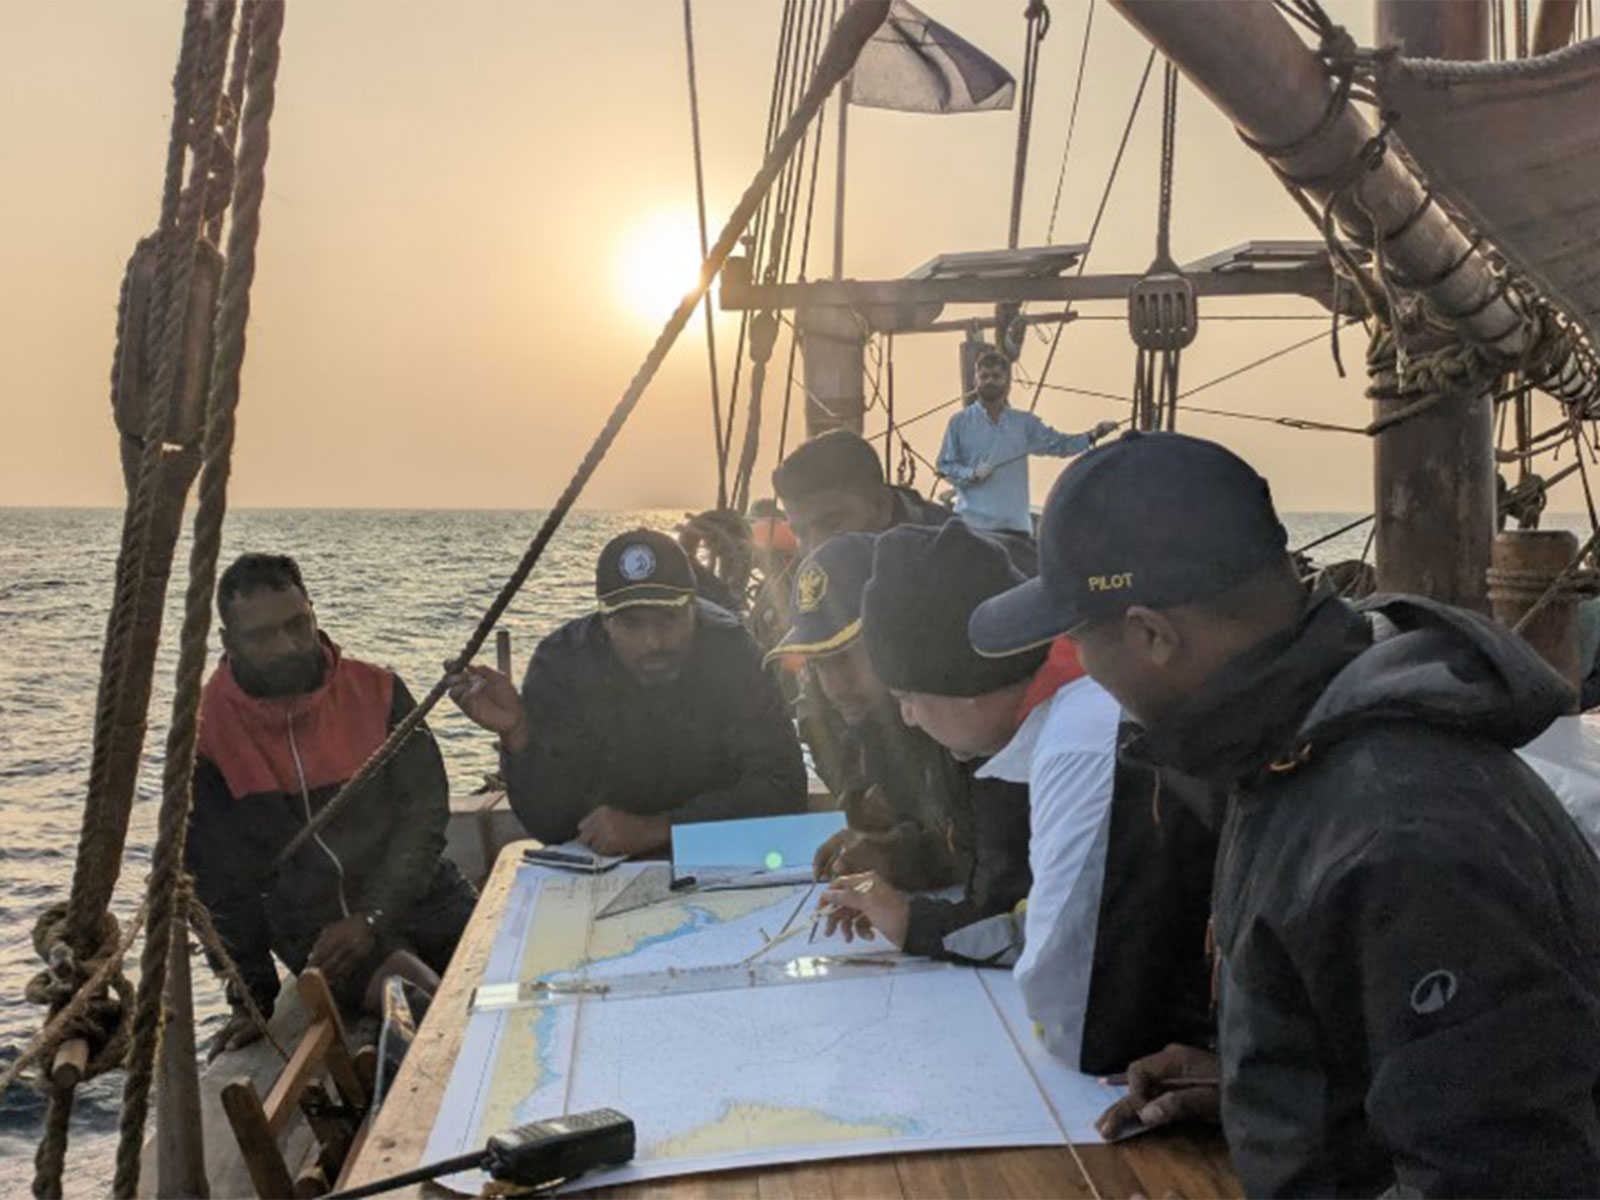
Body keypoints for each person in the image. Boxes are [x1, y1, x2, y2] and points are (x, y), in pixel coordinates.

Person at [970, 430, 1600, 1196]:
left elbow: (1506, 1176)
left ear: (1150, 634)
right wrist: (1269, 1091)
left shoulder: (1398, 833)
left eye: (1078, 641)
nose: (1083, 673)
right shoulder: (1293, 748)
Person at [824, 521, 1213, 1072]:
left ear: (965, 687)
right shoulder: (1073, 714)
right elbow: (1064, 930)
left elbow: (1075, 1020)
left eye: (909, 696)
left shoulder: (1076, 745)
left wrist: (918, 923)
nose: (908, 719)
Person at [188, 554, 477, 1056]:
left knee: (518, 972)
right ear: (229, 641)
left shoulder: (378, 690)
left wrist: (372, 915)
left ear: (314, 613)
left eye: (298, 624)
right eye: (263, 636)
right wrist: (249, 996)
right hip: (322, 933)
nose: (287, 646)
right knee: (415, 996)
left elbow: (425, 812)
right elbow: (215, 879)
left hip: (419, 894)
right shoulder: (204, 732)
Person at [449, 528, 806, 855]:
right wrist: (518, 735)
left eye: (668, 619)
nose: (653, 642)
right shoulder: (561, 663)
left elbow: (783, 789)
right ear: (604, 621)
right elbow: (553, 827)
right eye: (631, 624)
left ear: (693, 610)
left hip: (724, 853)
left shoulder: (732, 653)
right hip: (608, 867)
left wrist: (662, 829)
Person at [766, 534, 972, 927]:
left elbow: (994, 845)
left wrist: (894, 854)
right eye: (819, 665)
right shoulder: (859, 717)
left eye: (845, 657)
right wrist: (876, 838)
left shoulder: (961, 717)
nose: (835, 686)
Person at [936, 346, 1118, 536]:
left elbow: (1059, 444)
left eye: (996, 376)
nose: (990, 381)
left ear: (1007, 383)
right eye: (984, 376)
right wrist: (970, 474)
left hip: (1013, 527)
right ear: (976, 380)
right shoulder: (959, 422)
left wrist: (1094, 434)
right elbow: (944, 466)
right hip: (970, 526)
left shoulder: (1023, 423)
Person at [772, 428, 951, 554]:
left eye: (832, 525)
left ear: (881, 506)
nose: (814, 550)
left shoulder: (958, 556)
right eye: (801, 533)